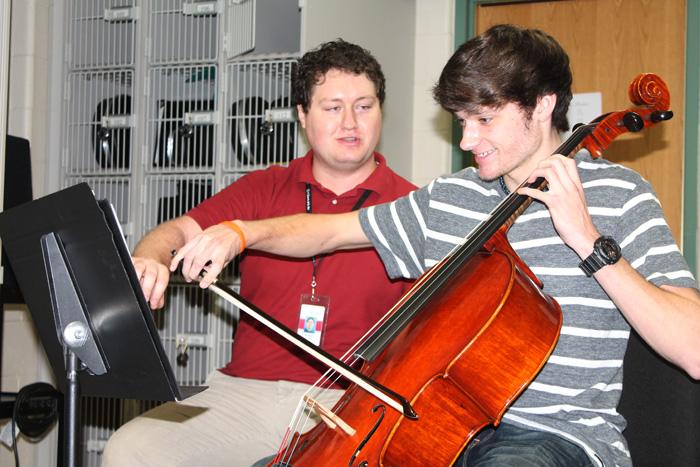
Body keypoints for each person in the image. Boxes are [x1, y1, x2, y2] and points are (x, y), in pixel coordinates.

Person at [172, 25, 700, 467]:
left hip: (556, 439)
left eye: (485, 119)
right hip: (431, 426)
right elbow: (331, 231)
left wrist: (587, 241)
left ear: (543, 105)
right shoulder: (452, 197)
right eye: (462, 121)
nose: (467, 142)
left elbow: (693, 348)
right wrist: (245, 232)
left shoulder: (619, 195)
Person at [101, 39, 416, 467]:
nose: (350, 122)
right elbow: (175, 231)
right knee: (130, 449)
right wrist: (151, 257)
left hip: (346, 403)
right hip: (243, 394)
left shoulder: (410, 206)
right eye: (332, 107)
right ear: (302, 116)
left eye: (364, 106)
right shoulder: (264, 186)